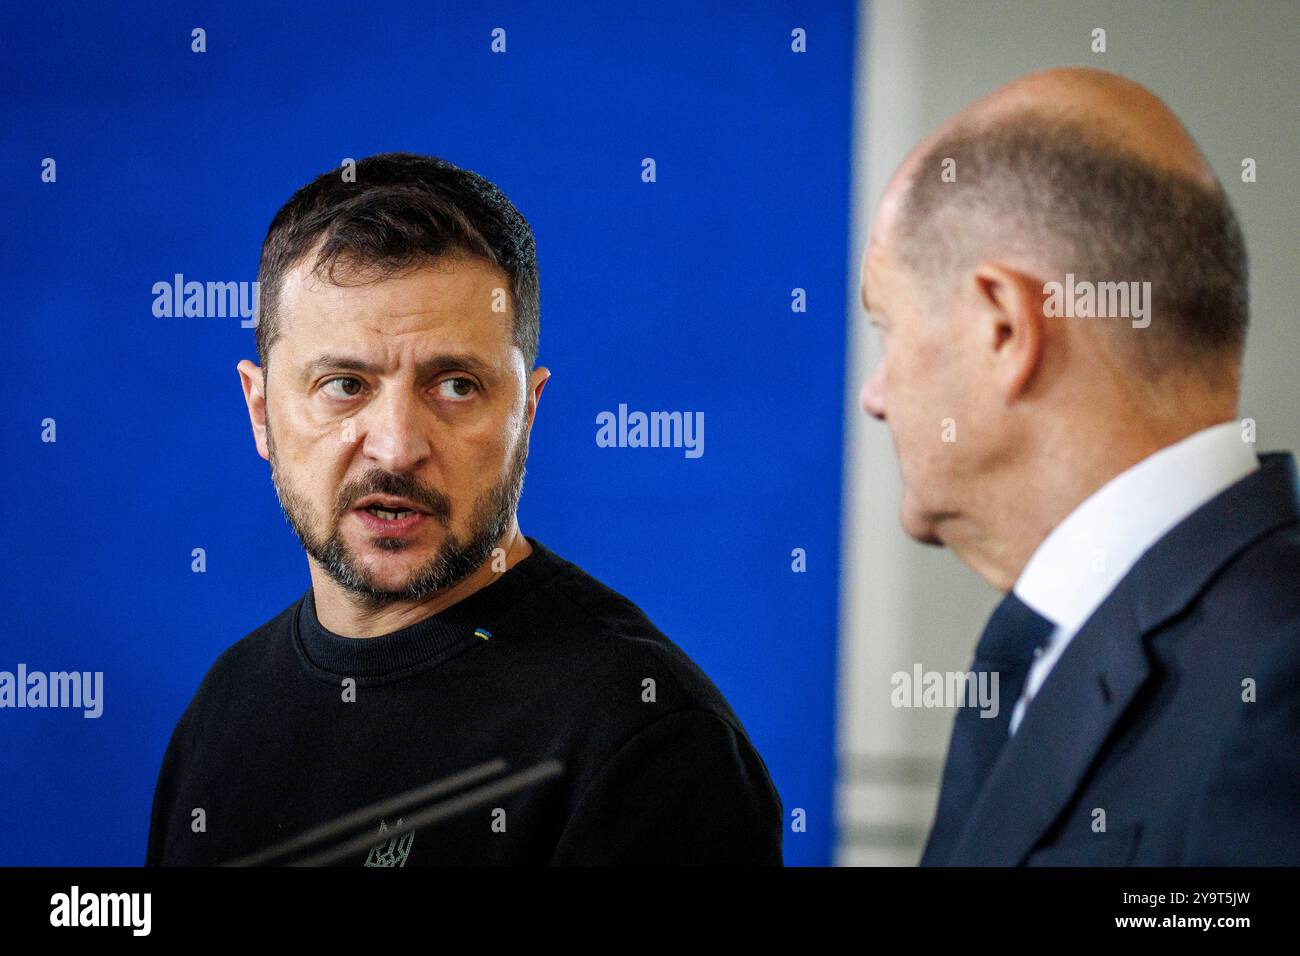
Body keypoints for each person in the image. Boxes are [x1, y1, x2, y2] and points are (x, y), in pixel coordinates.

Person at [147, 153, 783, 866]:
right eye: (344, 384)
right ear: (260, 413)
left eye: (455, 386)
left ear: (528, 412)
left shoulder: (652, 746)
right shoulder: (223, 711)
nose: (394, 448)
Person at [856, 68, 1300, 865]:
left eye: (887, 328)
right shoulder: (1046, 641)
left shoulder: (1280, 676)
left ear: (1005, 330)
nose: (874, 396)